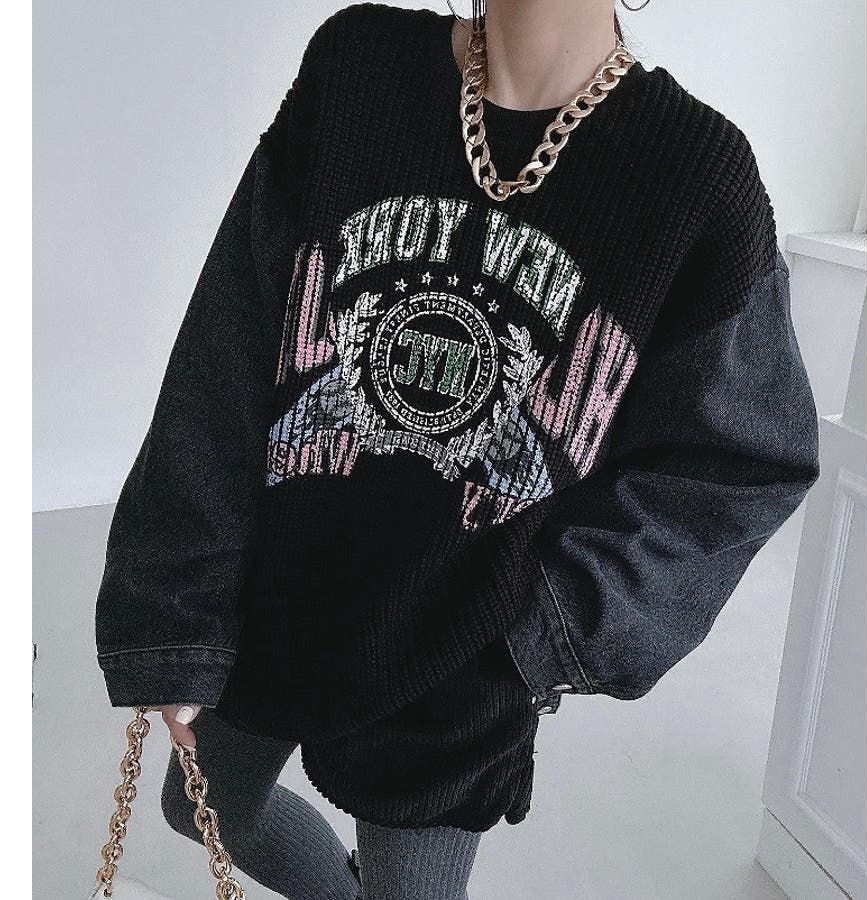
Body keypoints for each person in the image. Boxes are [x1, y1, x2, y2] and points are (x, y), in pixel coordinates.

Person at [94, 1, 820, 898]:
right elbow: (227, 351)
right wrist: (180, 608)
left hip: (459, 653)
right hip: (279, 590)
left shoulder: (694, 173)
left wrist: (535, 638)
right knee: (205, 807)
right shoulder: (356, 69)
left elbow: (744, 462)